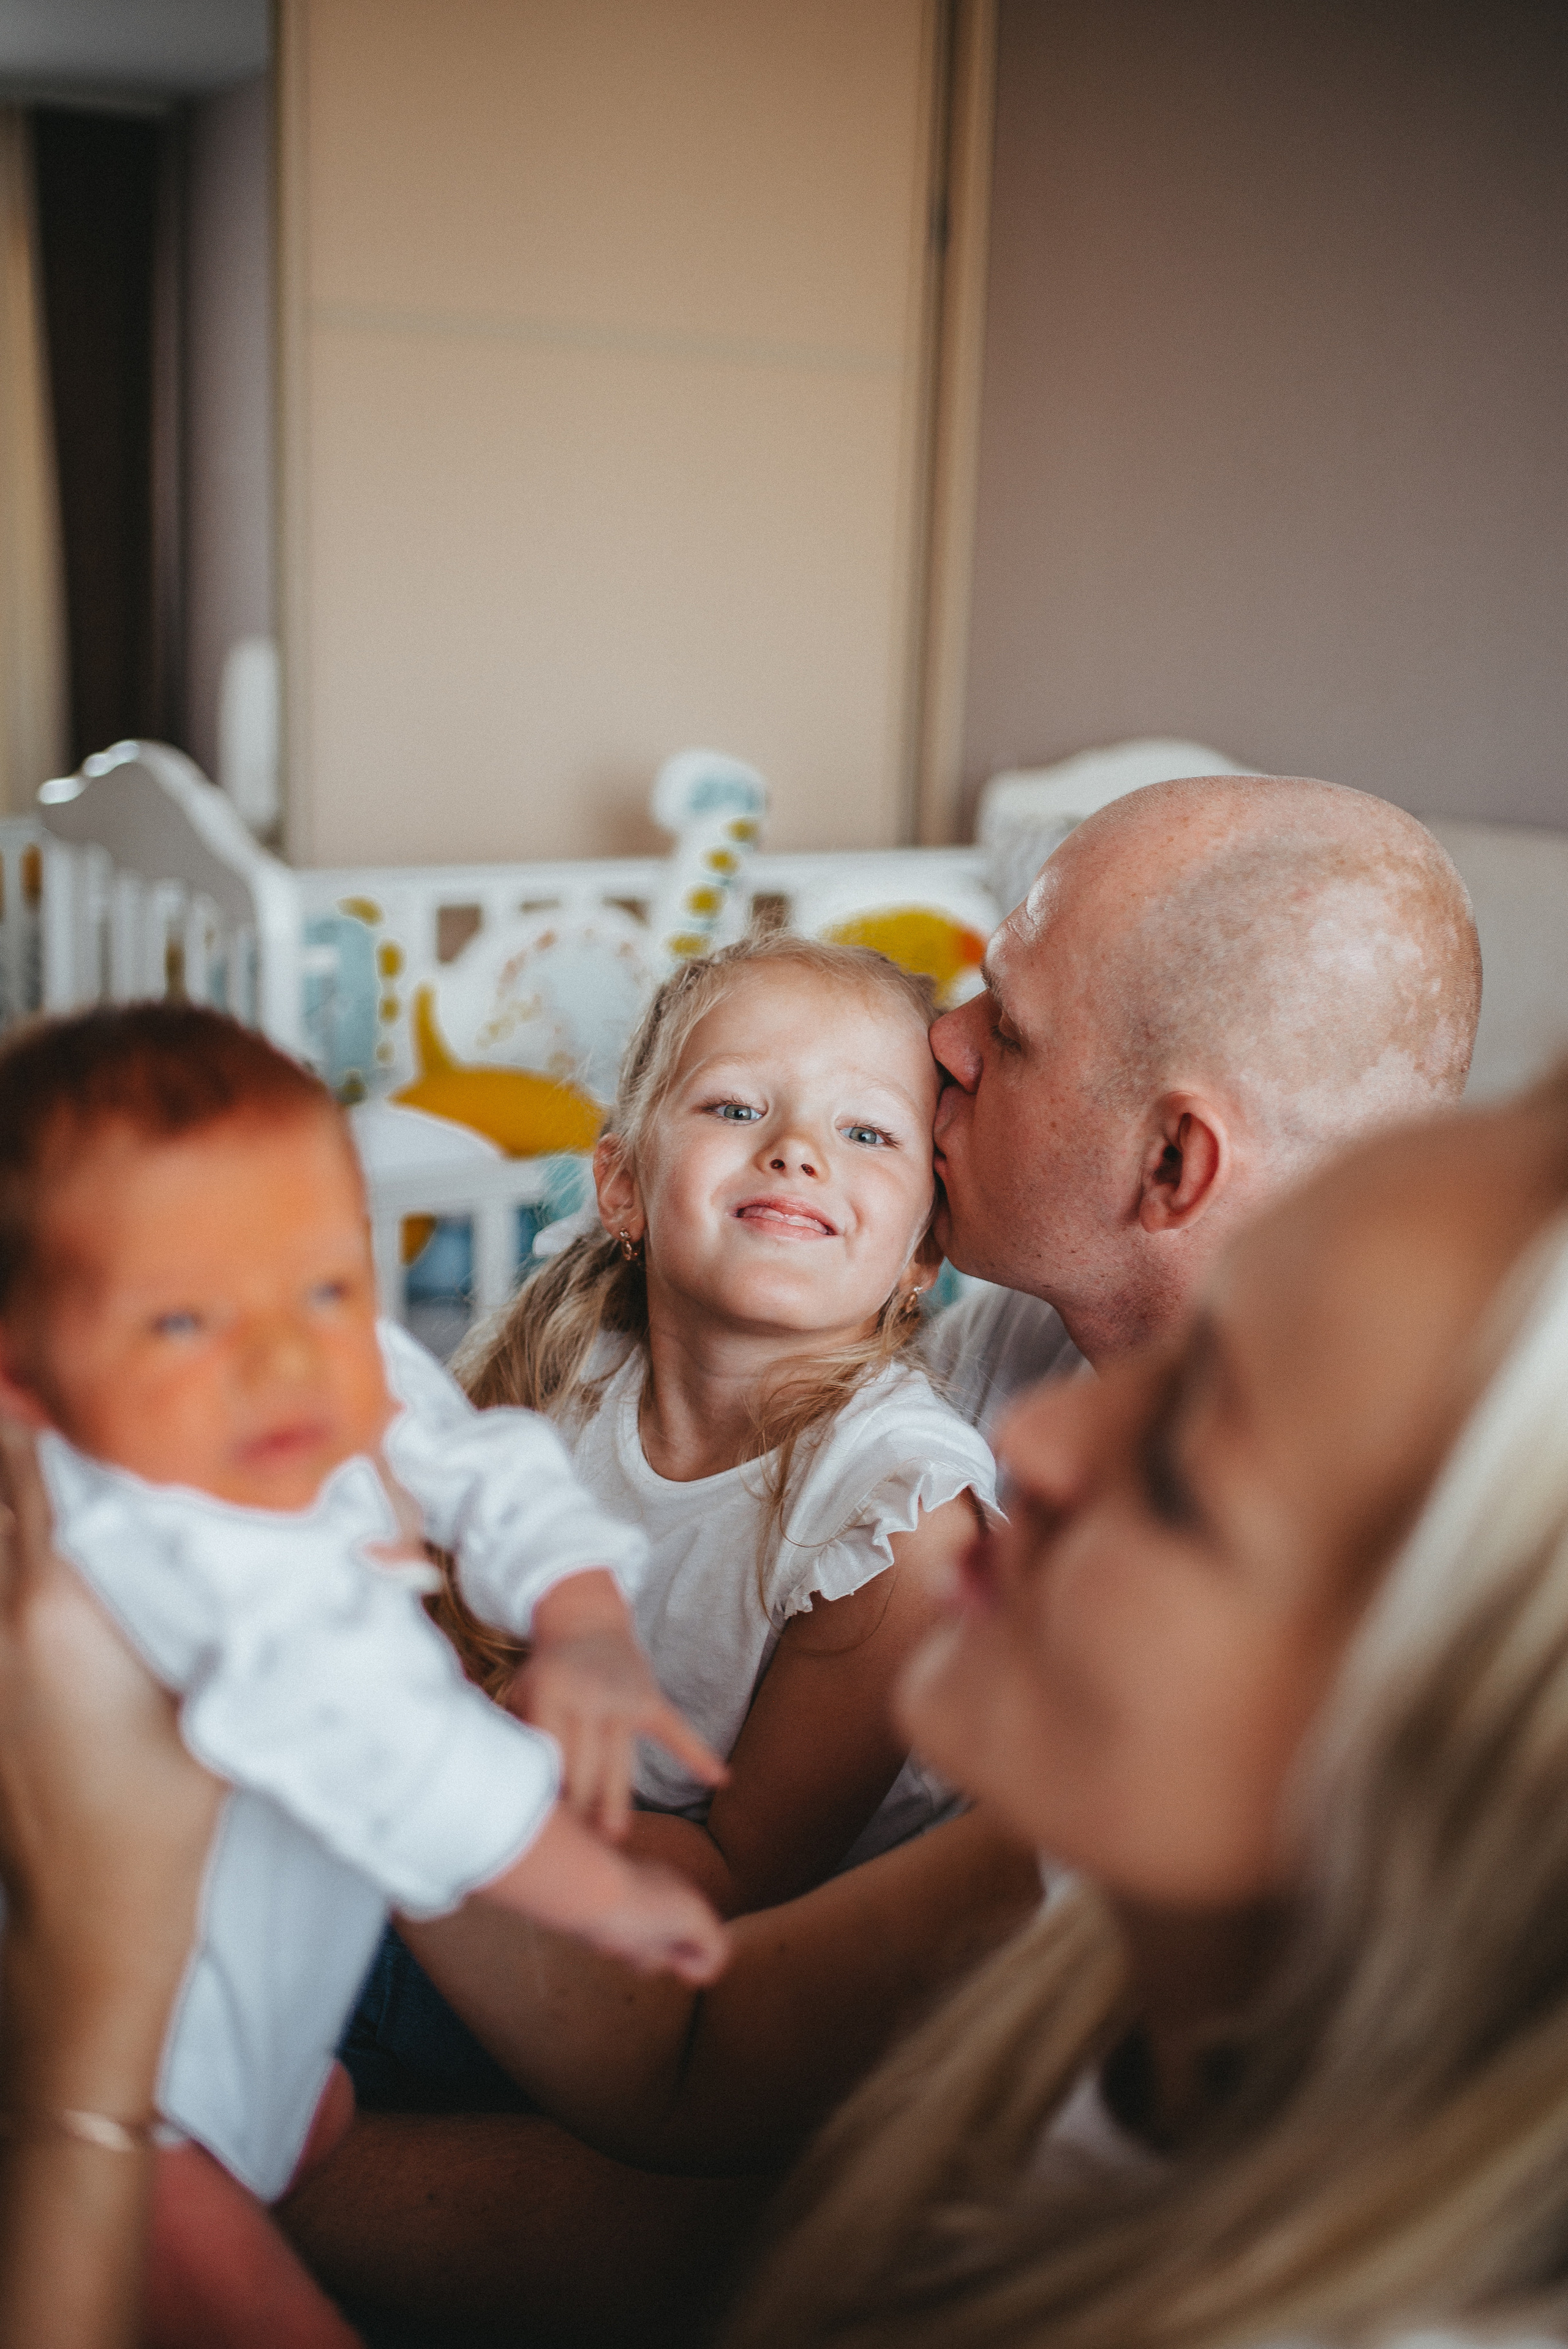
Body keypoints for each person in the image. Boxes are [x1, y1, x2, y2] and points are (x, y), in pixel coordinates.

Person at [19, 1065, 1568, 2347]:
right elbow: (692, 2098)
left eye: (1180, 1468)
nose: (1029, 1448)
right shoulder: (1113, 1913)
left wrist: (93, 2101)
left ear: (1410, 1739)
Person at [0, 1004, 726, 2349]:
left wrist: (576, 1615)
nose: (284, 1357)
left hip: (275, 2037)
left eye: (330, 1288)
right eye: (177, 1323)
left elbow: (478, 1456)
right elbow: (405, 1760)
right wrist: (606, 1899)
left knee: (318, 2139)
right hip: (152, 2094)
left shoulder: (289, 1348)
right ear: (24, 1381)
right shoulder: (162, 1545)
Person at [440, 934, 996, 1918]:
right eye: (736, 1108)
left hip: (659, 1932)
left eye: (868, 1133)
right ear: (622, 1187)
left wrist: (446, 1779)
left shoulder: (893, 1516)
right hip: (480, 1835)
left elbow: (744, 1879)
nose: (797, 1149)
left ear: (924, 1252)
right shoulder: (563, 1375)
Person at [924, 772, 1481, 1436]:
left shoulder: (1364, 1522)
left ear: (1170, 1165)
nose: (945, 1036)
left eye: (1010, 1035)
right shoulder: (1025, 1332)